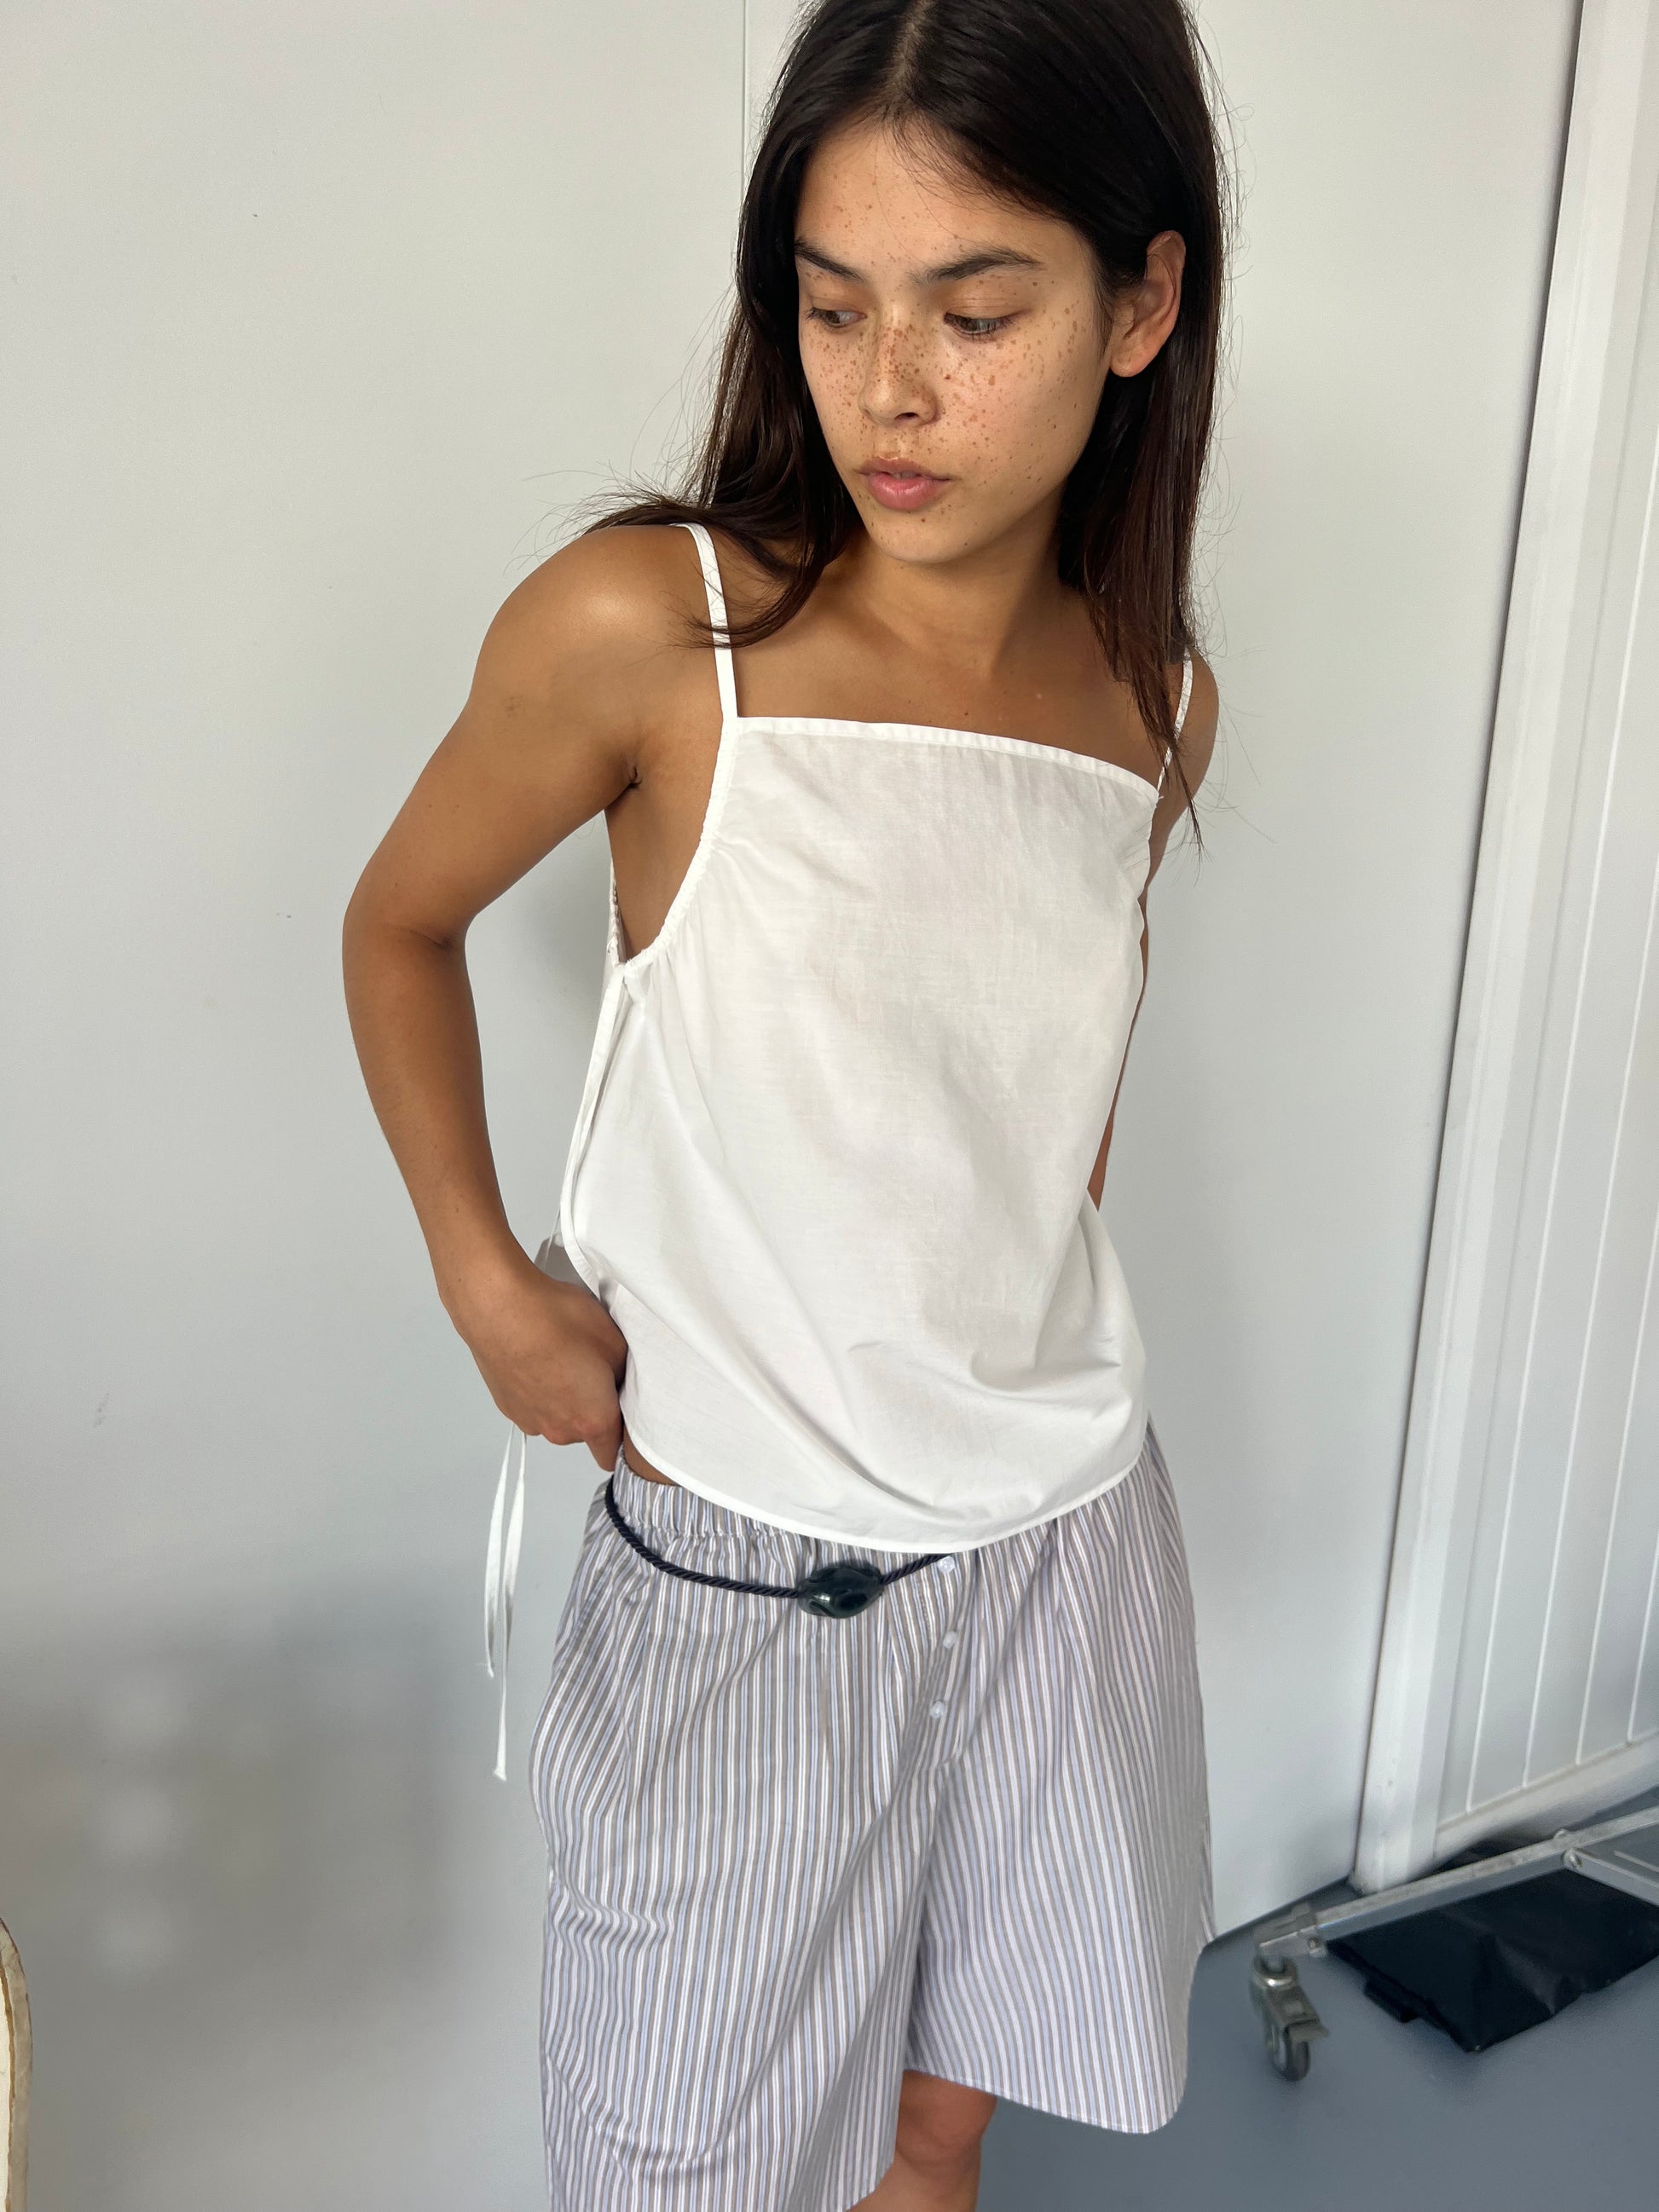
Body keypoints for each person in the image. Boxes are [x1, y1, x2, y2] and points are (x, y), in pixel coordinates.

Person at [344, 1, 1231, 2203]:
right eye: (834, 308)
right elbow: (399, 924)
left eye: (974, 313)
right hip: (751, 1575)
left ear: (1141, 304)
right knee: (692, 2168)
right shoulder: (656, 630)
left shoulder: (1150, 698)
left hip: (1060, 1545)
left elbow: (1044, 1108)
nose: (889, 389)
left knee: (938, 2125)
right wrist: (484, 1280)